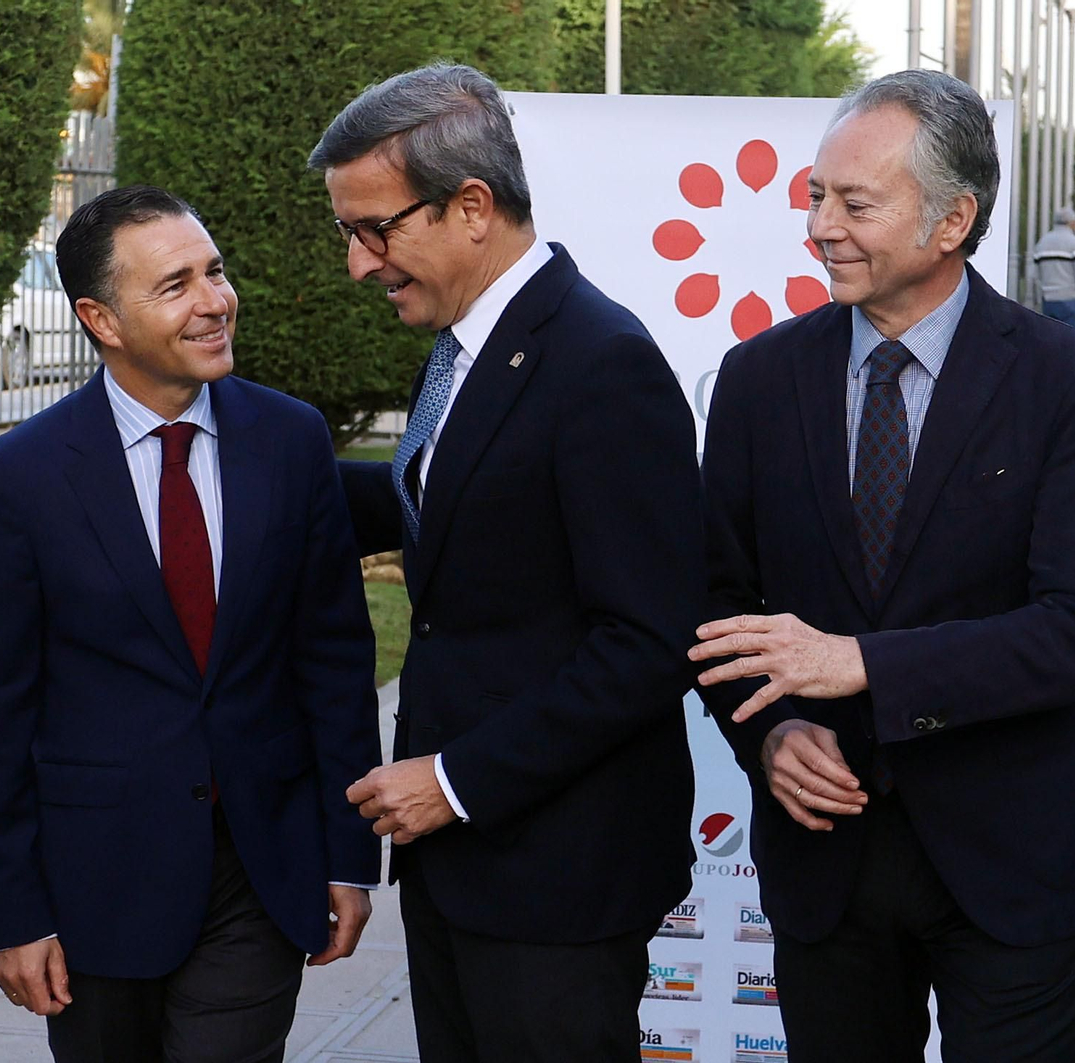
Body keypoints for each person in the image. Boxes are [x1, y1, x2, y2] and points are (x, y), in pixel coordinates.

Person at [311, 65, 704, 1061]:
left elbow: (646, 644)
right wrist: (255, 460)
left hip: (557, 879)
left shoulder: (598, 362)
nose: (360, 264)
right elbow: (450, 511)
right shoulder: (467, 345)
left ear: (471, 207)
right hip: (468, 868)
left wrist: (453, 778)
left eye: (375, 230)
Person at [693, 69, 1075, 1061]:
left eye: (853, 202)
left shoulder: (1057, 383)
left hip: (1013, 862)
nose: (820, 226)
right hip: (825, 863)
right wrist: (773, 732)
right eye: (814, 196)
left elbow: (1067, 629)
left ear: (951, 219)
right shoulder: (755, 380)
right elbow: (715, 603)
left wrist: (860, 663)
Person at [0, 184, 382, 1063]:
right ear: (100, 319)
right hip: (95, 881)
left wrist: (347, 854)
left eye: (214, 272)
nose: (215, 300)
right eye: (176, 284)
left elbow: (333, 659)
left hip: (258, 868)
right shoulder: (22, 478)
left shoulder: (292, 442)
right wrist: (11, 911)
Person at [1033, 206, 1075, 326]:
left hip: (1048, 301)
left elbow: (1034, 276)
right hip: (1071, 301)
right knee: (1074, 341)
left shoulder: (1042, 243)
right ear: (1072, 223)